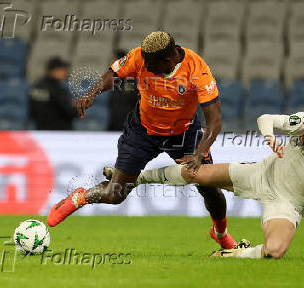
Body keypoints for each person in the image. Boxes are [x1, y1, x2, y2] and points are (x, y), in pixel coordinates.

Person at [47, 31, 236, 249]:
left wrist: (199, 153)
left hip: (183, 135)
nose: (145, 68)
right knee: (115, 194)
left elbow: (215, 123)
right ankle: (79, 198)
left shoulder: (197, 70)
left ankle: (220, 234)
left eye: (150, 65)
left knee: (210, 188)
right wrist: (91, 93)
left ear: (168, 60)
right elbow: (114, 73)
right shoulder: (141, 57)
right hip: (142, 132)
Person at [133, 108, 304, 262]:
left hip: (287, 203)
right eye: (302, 133)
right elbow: (266, 119)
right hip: (262, 173)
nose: (301, 138)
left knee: (274, 251)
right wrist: (270, 136)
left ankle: (236, 253)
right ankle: (135, 178)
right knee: (197, 173)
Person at [30, 57, 78, 130]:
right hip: (58, 132)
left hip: (41, 130)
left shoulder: (37, 86)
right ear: (54, 71)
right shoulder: (55, 88)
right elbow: (72, 111)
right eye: (62, 69)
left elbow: (32, 111)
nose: (65, 72)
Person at [108, 49, 139, 131]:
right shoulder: (114, 80)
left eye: (114, 60)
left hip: (127, 125)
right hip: (114, 123)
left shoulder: (131, 80)